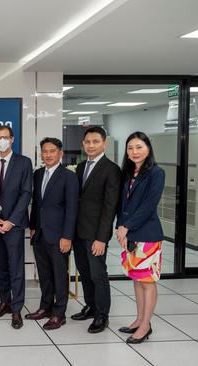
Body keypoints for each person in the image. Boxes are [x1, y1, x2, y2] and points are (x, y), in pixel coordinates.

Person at [71, 126, 121, 334]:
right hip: (79, 232)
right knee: (84, 272)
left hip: (96, 235)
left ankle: (102, 314)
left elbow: (110, 207)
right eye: (88, 142)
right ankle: (91, 306)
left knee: (98, 274)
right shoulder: (81, 167)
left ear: (104, 143)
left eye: (95, 142)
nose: (91, 145)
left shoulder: (112, 170)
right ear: (83, 144)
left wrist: (102, 238)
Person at [116, 131, 165, 344]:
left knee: (148, 281)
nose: (134, 152)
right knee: (137, 280)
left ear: (148, 148)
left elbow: (148, 206)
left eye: (139, 147)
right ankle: (138, 319)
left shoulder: (156, 173)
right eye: (130, 148)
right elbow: (122, 204)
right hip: (130, 234)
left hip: (148, 235)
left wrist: (127, 226)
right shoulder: (127, 173)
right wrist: (120, 227)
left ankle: (146, 325)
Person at [0, 125, 32, 329]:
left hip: (14, 223)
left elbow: (26, 193)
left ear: (12, 139)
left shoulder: (24, 162)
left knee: (16, 267)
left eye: (5, 137)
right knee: (1, 266)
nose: (2, 140)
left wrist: (11, 221)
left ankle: (17, 308)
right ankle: (5, 302)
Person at [27, 137, 78, 330]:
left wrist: (67, 236)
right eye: (45, 151)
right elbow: (37, 204)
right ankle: (45, 307)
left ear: (60, 153)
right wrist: (32, 227)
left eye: (52, 151)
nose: (48, 155)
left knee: (59, 276)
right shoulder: (38, 174)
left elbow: (72, 209)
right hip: (40, 233)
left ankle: (59, 313)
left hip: (59, 236)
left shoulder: (68, 176)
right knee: (45, 274)